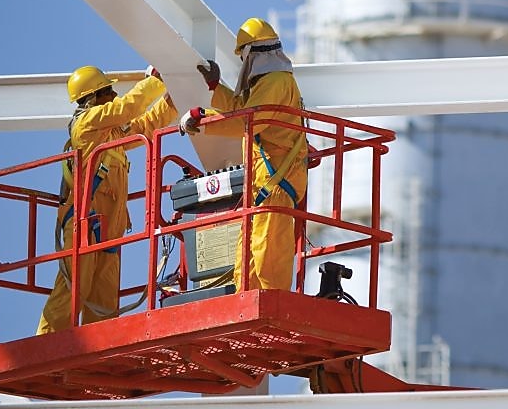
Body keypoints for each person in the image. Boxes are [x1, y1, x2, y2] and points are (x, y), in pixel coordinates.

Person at [36, 65, 176, 334]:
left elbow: (143, 127)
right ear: (93, 97)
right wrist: (155, 82)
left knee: (104, 293)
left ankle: (99, 342)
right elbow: (126, 109)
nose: (113, 94)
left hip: (108, 228)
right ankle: (47, 340)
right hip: (84, 224)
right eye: (108, 91)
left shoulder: (109, 134)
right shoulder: (87, 125)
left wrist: (170, 104)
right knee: (74, 287)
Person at [180, 17, 307, 292]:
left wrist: (202, 119)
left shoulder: (275, 82)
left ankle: (274, 306)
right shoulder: (270, 82)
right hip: (266, 183)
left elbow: (246, 121)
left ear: (251, 54)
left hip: (275, 183)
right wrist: (217, 87)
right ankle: (248, 302)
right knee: (248, 259)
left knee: (267, 254)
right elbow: (244, 109)